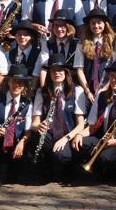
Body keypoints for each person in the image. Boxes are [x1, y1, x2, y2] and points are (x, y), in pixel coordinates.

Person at [31, 53, 88, 182]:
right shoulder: (42, 92)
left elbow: (80, 124)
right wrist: (38, 126)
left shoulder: (77, 91)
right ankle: (46, 169)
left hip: (68, 136)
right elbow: (35, 122)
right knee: (38, 140)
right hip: (49, 135)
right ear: (49, 74)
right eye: (53, 71)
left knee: (62, 156)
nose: (57, 73)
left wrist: (65, 139)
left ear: (65, 72)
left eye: (60, 70)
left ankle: (65, 169)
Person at [75, 8, 116, 103]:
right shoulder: (81, 44)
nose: (96, 26)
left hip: (108, 88)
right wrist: (87, 91)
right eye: (93, 23)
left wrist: (105, 88)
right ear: (89, 25)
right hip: (88, 89)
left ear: (105, 24)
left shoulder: (114, 42)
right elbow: (79, 69)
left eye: (99, 23)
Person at [38, 10, 79, 83]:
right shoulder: (46, 44)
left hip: (73, 83)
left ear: (68, 27)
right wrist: (43, 89)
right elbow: (44, 68)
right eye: (56, 25)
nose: (59, 29)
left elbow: (80, 69)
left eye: (62, 26)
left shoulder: (77, 44)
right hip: (53, 83)